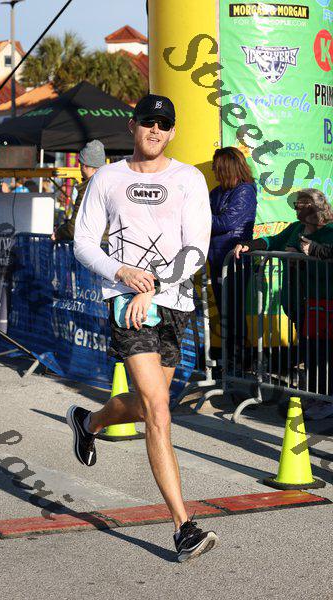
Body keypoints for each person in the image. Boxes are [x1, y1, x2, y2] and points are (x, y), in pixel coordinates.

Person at [68, 94, 218, 562]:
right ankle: (183, 527)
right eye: (148, 121)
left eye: (163, 124)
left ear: (172, 131)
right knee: (157, 411)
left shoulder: (189, 178)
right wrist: (121, 274)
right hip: (127, 305)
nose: (155, 130)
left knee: (150, 403)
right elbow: (83, 242)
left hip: (174, 303)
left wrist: (155, 287)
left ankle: (88, 422)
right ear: (132, 126)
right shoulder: (108, 178)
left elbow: (197, 247)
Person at [235, 188, 333, 419]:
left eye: (302, 204)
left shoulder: (329, 231)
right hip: (300, 303)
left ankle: (326, 399)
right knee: (310, 350)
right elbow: (274, 240)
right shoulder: (296, 228)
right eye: (297, 204)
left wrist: (307, 254)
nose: (297, 208)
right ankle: (314, 394)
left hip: (325, 302)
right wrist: (251, 244)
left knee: (323, 352)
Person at [208, 147, 257, 360]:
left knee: (234, 311)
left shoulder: (245, 191)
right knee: (225, 312)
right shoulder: (216, 192)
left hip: (235, 260)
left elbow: (227, 222)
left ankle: (240, 360)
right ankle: (230, 361)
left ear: (226, 168)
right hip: (216, 258)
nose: (213, 170)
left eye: (216, 167)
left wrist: (198, 218)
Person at [52, 140, 107, 242]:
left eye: (81, 165)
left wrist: (58, 233)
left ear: (85, 165)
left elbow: (74, 228)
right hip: (112, 245)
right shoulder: (111, 184)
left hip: (93, 246)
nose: (80, 169)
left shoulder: (88, 189)